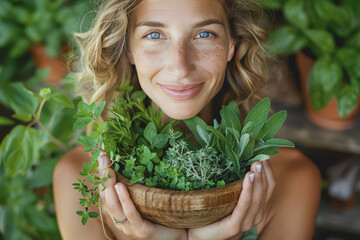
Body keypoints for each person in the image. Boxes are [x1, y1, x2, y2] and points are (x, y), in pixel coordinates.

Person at [53, 0, 321, 239]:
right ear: (128, 49)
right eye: (154, 34)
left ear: (232, 45)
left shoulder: (294, 179)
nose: (180, 67)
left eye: (204, 34)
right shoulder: (79, 179)